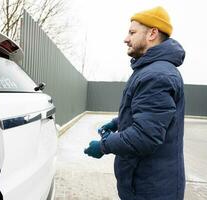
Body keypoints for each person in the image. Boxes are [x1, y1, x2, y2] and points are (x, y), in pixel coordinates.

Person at [84, 6, 185, 200]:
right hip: (147, 184)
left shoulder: (156, 75)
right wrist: (117, 123)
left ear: (152, 34)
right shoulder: (151, 70)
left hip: (152, 190)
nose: (126, 38)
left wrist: (104, 146)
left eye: (132, 32)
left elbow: (145, 136)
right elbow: (149, 115)